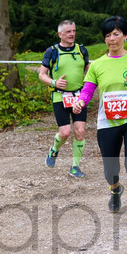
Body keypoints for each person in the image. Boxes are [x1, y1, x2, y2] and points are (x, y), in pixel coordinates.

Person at [71, 16, 127, 227]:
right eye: (107, 35)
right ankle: (115, 188)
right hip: (108, 121)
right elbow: (88, 90)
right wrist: (80, 102)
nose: (112, 39)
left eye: (116, 34)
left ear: (125, 35)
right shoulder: (98, 65)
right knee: (110, 168)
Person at [38, 20, 90, 177]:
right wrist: (55, 82)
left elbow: (88, 70)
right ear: (60, 34)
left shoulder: (81, 50)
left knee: (80, 131)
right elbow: (41, 75)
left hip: (79, 96)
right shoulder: (52, 51)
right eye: (68, 32)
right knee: (65, 132)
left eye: (74, 31)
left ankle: (75, 167)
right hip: (60, 97)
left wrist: (87, 86)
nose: (72, 34)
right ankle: (54, 149)